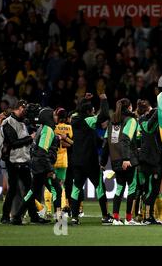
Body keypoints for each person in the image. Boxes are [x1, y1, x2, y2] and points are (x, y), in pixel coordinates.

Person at [0, 100, 47, 224]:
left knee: (30, 190)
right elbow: (13, 143)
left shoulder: (22, 122)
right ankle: (5, 216)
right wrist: (30, 138)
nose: (26, 112)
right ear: (19, 108)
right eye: (24, 109)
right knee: (12, 190)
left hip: (24, 160)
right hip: (12, 161)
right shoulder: (8, 122)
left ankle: (34, 217)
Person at [13, 108, 63, 224]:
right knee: (57, 189)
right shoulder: (48, 130)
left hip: (36, 163)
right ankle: (58, 218)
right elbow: (42, 151)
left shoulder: (41, 128)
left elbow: (36, 149)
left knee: (32, 191)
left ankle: (17, 216)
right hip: (43, 165)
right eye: (53, 115)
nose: (56, 117)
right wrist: (50, 169)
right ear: (48, 117)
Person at [70, 93, 113, 225]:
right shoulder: (89, 120)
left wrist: (84, 99)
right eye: (92, 110)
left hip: (76, 160)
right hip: (90, 161)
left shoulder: (73, 118)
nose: (94, 111)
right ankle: (105, 217)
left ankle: (74, 217)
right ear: (88, 111)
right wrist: (104, 100)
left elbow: (79, 109)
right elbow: (104, 115)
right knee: (99, 187)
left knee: (76, 187)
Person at [101, 98, 140, 226]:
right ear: (129, 107)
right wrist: (126, 159)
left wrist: (102, 161)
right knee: (132, 187)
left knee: (119, 188)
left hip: (115, 159)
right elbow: (125, 140)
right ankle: (129, 219)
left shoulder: (112, 122)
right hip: (127, 160)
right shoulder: (131, 120)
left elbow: (106, 143)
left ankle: (116, 218)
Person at [44, 107, 73, 217]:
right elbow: (71, 143)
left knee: (49, 185)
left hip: (52, 159)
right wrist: (65, 139)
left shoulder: (52, 127)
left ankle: (48, 210)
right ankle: (62, 208)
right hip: (63, 160)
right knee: (61, 184)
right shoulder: (69, 128)